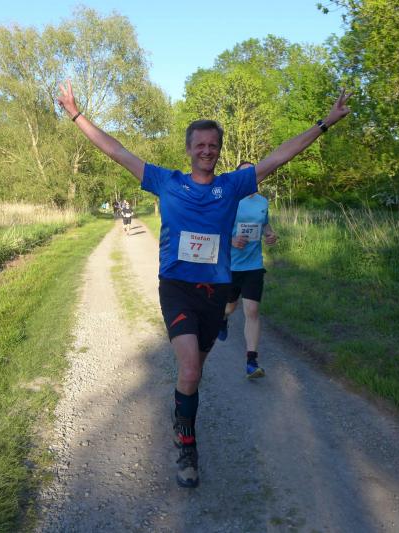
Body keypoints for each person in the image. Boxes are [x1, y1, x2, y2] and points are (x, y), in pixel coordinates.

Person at [58, 79, 349, 488]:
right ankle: (187, 447)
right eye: (200, 145)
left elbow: (279, 156)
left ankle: (182, 414)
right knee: (191, 369)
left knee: (194, 373)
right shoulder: (166, 182)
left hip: (215, 292)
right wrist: (76, 114)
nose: (207, 151)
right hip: (177, 286)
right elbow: (116, 150)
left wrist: (324, 123)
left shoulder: (232, 186)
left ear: (219, 150)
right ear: (189, 149)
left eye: (213, 145)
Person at [217, 162, 277, 379]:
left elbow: (265, 225)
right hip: (231, 265)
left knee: (252, 311)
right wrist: (231, 240)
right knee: (229, 307)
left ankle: (251, 361)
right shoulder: (229, 200)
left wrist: (270, 235)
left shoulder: (262, 201)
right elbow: (215, 229)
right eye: (243, 174)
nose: (248, 177)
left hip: (254, 265)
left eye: (251, 173)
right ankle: (223, 318)